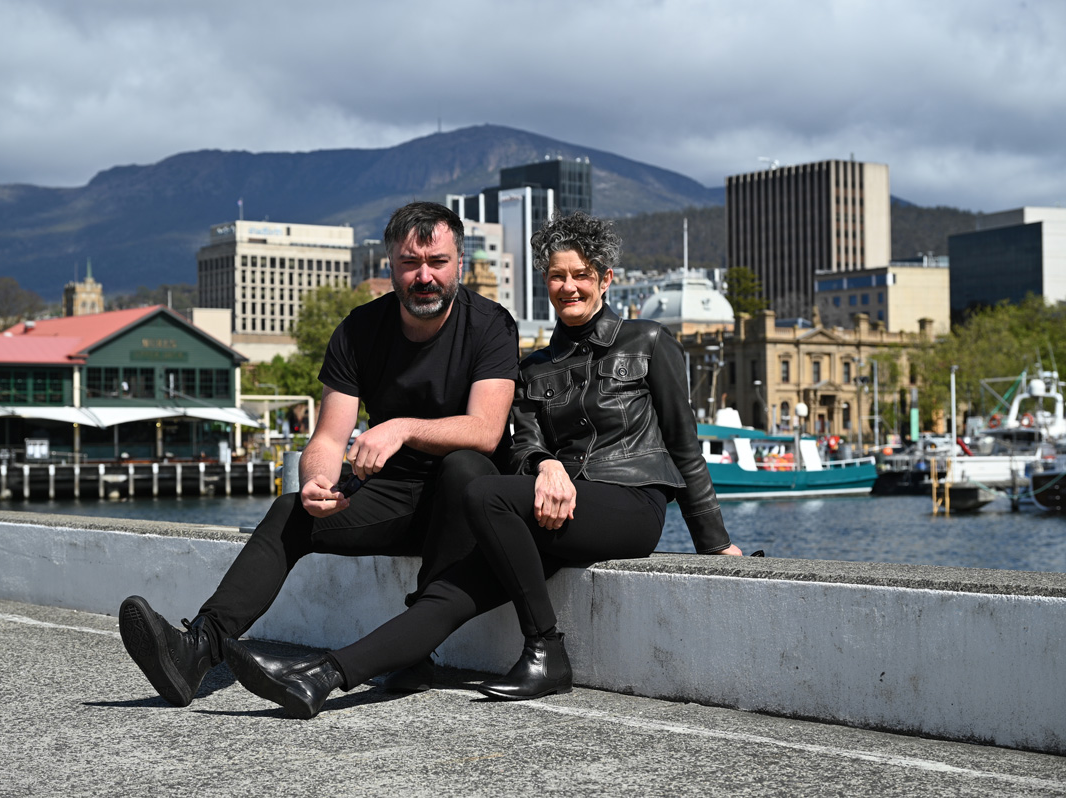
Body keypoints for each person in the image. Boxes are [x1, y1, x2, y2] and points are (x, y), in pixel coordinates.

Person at [222, 212, 743, 719]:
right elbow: (524, 444)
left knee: (483, 491)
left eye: (582, 275)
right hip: (553, 506)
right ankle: (320, 679)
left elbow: (684, 445)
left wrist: (715, 544)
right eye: (557, 276)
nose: (569, 287)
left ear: (605, 278)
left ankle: (546, 648)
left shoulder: (649, 341)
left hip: (630, 500)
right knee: (444, 597)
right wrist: (545, 465)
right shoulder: (534, 366)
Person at [118, 201, 519, 707]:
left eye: (437, 262)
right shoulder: (358, 330)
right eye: (409, 263)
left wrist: (400, 428)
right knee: (292, 509)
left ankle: (413, 649)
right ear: (388, 265)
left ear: (459, 262)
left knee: (466, 466)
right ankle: (197, 649)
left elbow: (485, 431)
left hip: (467, 508)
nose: (424, 276)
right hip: (395, 498)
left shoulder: (491, 325)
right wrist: (318, 482)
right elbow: (329, 438)